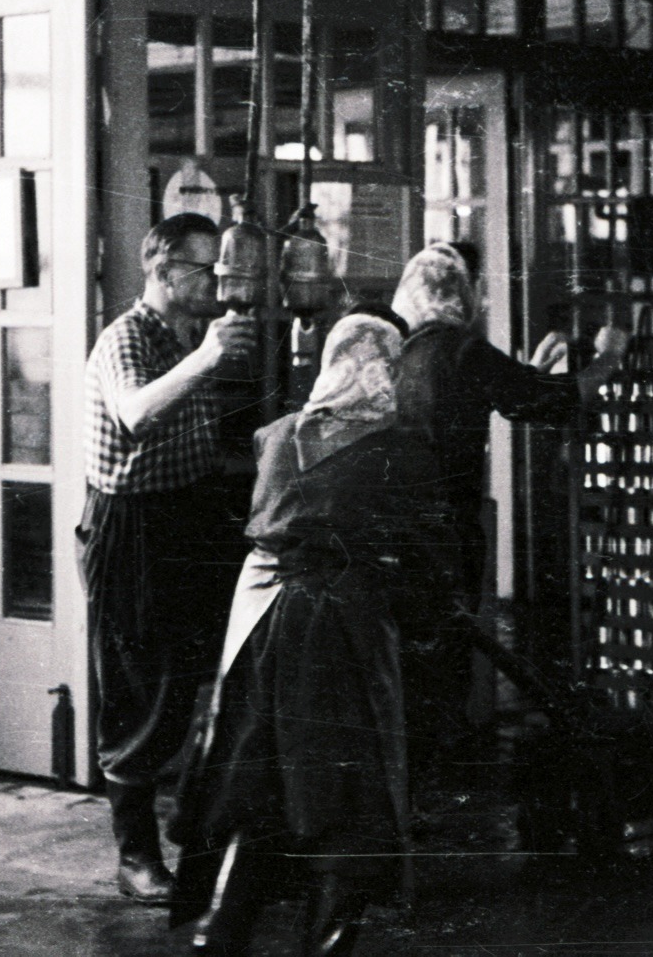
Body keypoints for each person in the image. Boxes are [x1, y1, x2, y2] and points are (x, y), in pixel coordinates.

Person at [170, 310, 454, 956]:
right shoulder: (402, 452)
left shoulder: (274, 436)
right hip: (338, 639)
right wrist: (429, 629)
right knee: (347, 801)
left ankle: (219, 933)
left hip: (259, 630)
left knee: (256, 784)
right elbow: (427, 566)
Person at [77, 212, 256, 903]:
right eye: (203, 267)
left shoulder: (178, 336)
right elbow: (135, 413)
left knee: (188, 679)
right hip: (134, 531)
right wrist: (210, 357)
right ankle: (135, 857)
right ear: (161, 268)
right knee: (140, 693)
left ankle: (187, 824)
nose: (215, 280)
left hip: (186, 517)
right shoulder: (126, 338)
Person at [389, 243, 628, 756]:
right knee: (449, 656)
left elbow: (509, 390)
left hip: (400, 529)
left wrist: (531, 368)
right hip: (450, 531)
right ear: (464, 296)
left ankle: (416, 769)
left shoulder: (401, 352)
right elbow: (546, 402)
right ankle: (443, 764)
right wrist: (609, 358)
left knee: (413, 656)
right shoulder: (462, 348)